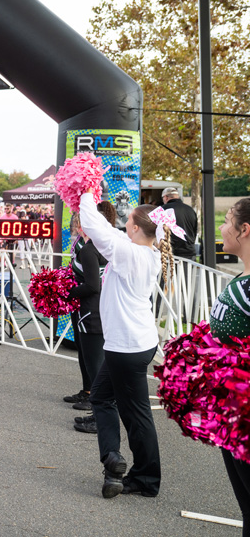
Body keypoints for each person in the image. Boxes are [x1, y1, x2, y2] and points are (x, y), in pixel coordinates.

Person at [79, 190, 171, 499]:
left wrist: (86, 191)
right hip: (134, 343)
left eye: (128, 220)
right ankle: (113, 461)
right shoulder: (144, 250)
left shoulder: (129, 254)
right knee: (103, 398)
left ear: (135, 227)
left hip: (127, 347)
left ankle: (144, 478)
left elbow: (95, 226)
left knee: (136, 415)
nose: (123, 223)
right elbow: (110, 232)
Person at [209, 198, 250, 533]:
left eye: (226, 221)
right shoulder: (242, 277)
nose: (221, 228)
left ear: (244, 229)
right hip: (231, 411)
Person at [64, 205, 113, 435]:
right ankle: (96, 410)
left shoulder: (91, 249)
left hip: (92, 313)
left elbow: (93, 285)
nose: (78, 225)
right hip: (96, 310)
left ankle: (99, 417)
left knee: (96, 367)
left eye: (81, 221)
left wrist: (68, 292)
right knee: (94, 364)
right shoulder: (98, 246)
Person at [160, 187, 198, 260]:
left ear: (166, 197)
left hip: (171, 253)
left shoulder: (162, 209)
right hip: (189, 252)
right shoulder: (190, 210)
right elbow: (194, 230)